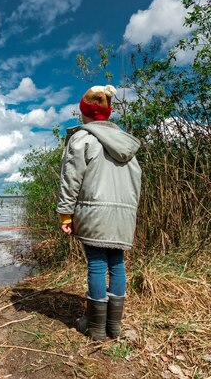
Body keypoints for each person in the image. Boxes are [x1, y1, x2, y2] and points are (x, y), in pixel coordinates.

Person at [56, 85, 142, 341]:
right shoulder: (125, 143)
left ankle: (95, 328)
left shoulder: (82, 138)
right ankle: (113, 327)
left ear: (86, 113)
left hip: (94, 212)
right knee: (117, 263)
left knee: (96, 263)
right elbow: (135, 182)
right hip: (124, 214)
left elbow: (71, 178)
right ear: (108, 113)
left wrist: (65, 214)